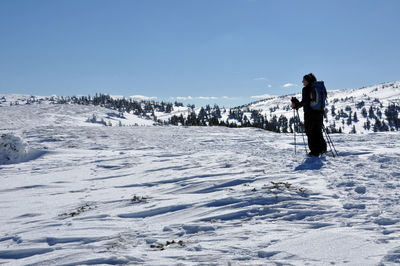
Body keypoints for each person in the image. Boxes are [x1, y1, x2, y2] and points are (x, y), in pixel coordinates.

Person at [291, 73, 327, 157]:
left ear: (308, 81)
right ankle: (322, 149)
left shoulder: (306, 89)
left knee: (310, 132)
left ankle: (314, 152)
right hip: (319, 112)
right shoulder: (317, 87)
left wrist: (296, 105)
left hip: (310, 114)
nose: (302, 82)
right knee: (318, 131)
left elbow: (305, 102)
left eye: (304, 80)